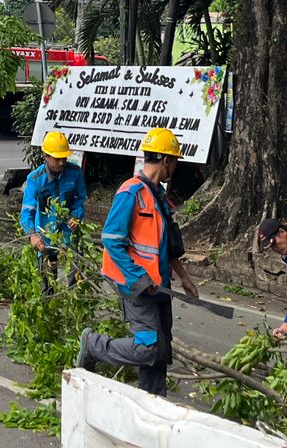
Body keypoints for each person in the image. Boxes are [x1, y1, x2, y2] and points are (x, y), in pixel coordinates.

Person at [76, 128, 197, 396]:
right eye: (175, 160)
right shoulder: (130, 192)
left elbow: (168, 247)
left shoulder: (159, 198)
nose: (175, 166)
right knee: (148, 347)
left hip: (159, 286)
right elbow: (111, 240)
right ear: (166, 160)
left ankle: (153, 403)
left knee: (161, 351)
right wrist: (138, 278)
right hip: (137, 287)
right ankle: (94, 345)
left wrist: (183, 277)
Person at [20, 130, 87, 287]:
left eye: (64, 158)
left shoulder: (75, 173)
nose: (62, 163)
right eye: (57, 159)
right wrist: (32, 235)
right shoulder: (35, 179)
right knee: (47, 281)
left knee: (77, 279)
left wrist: (75, 216)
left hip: (70, 234)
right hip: (46, 237)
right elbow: (27, 212)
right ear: (46, 156)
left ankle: (74, 302)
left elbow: (80, 199)